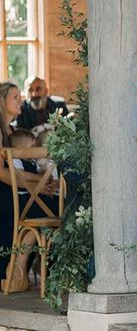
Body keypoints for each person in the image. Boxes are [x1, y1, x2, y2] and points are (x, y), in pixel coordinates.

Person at [0, 82, 58, 292]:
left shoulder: (15, 131)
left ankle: (22, 266)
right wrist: (38, 186)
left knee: (55, 201)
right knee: (55, 206)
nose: (21, 100)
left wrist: (41, 184)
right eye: (15, 97)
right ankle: (19, 265)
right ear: (1, 101)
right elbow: (1, 173)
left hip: (18, 191)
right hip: (4, 195)